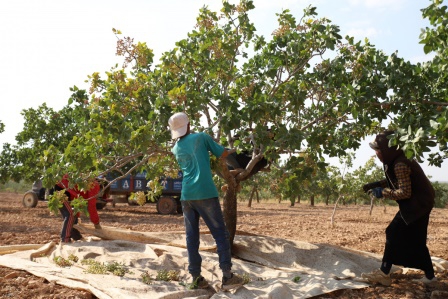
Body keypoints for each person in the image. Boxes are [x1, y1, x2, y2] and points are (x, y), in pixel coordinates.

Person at [168, 112, 244, 290]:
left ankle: (196, 278)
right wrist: (234, 148)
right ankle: (227, 276)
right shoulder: (201, 137)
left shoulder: (175, 148)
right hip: (205, 192)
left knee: (191, 237)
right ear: (188, 125)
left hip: (186, 195)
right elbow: (222, 153)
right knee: (220, 234)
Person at [361, 130, 436, 286]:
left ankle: (384, 273)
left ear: (387, 150)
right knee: (416, 240)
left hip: (417, 205)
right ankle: (430, 278)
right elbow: (395, 178)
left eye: (378, 149)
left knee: (393, 232)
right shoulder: (396, 160)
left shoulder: (400, 164)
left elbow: (405, 192)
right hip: (422, 202)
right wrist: (376, 184)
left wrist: (383, 192)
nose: (376, 153)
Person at [53, 175, 104, 243]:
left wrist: (77, 214)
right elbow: (91, 206)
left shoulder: (88, 180)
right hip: (61, 191)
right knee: (70, 214)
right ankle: (65, 239)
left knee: (74, 215)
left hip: (63, 189)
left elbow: (76, 199)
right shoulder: (95, 185)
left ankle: (76, 237)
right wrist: (96, 223)